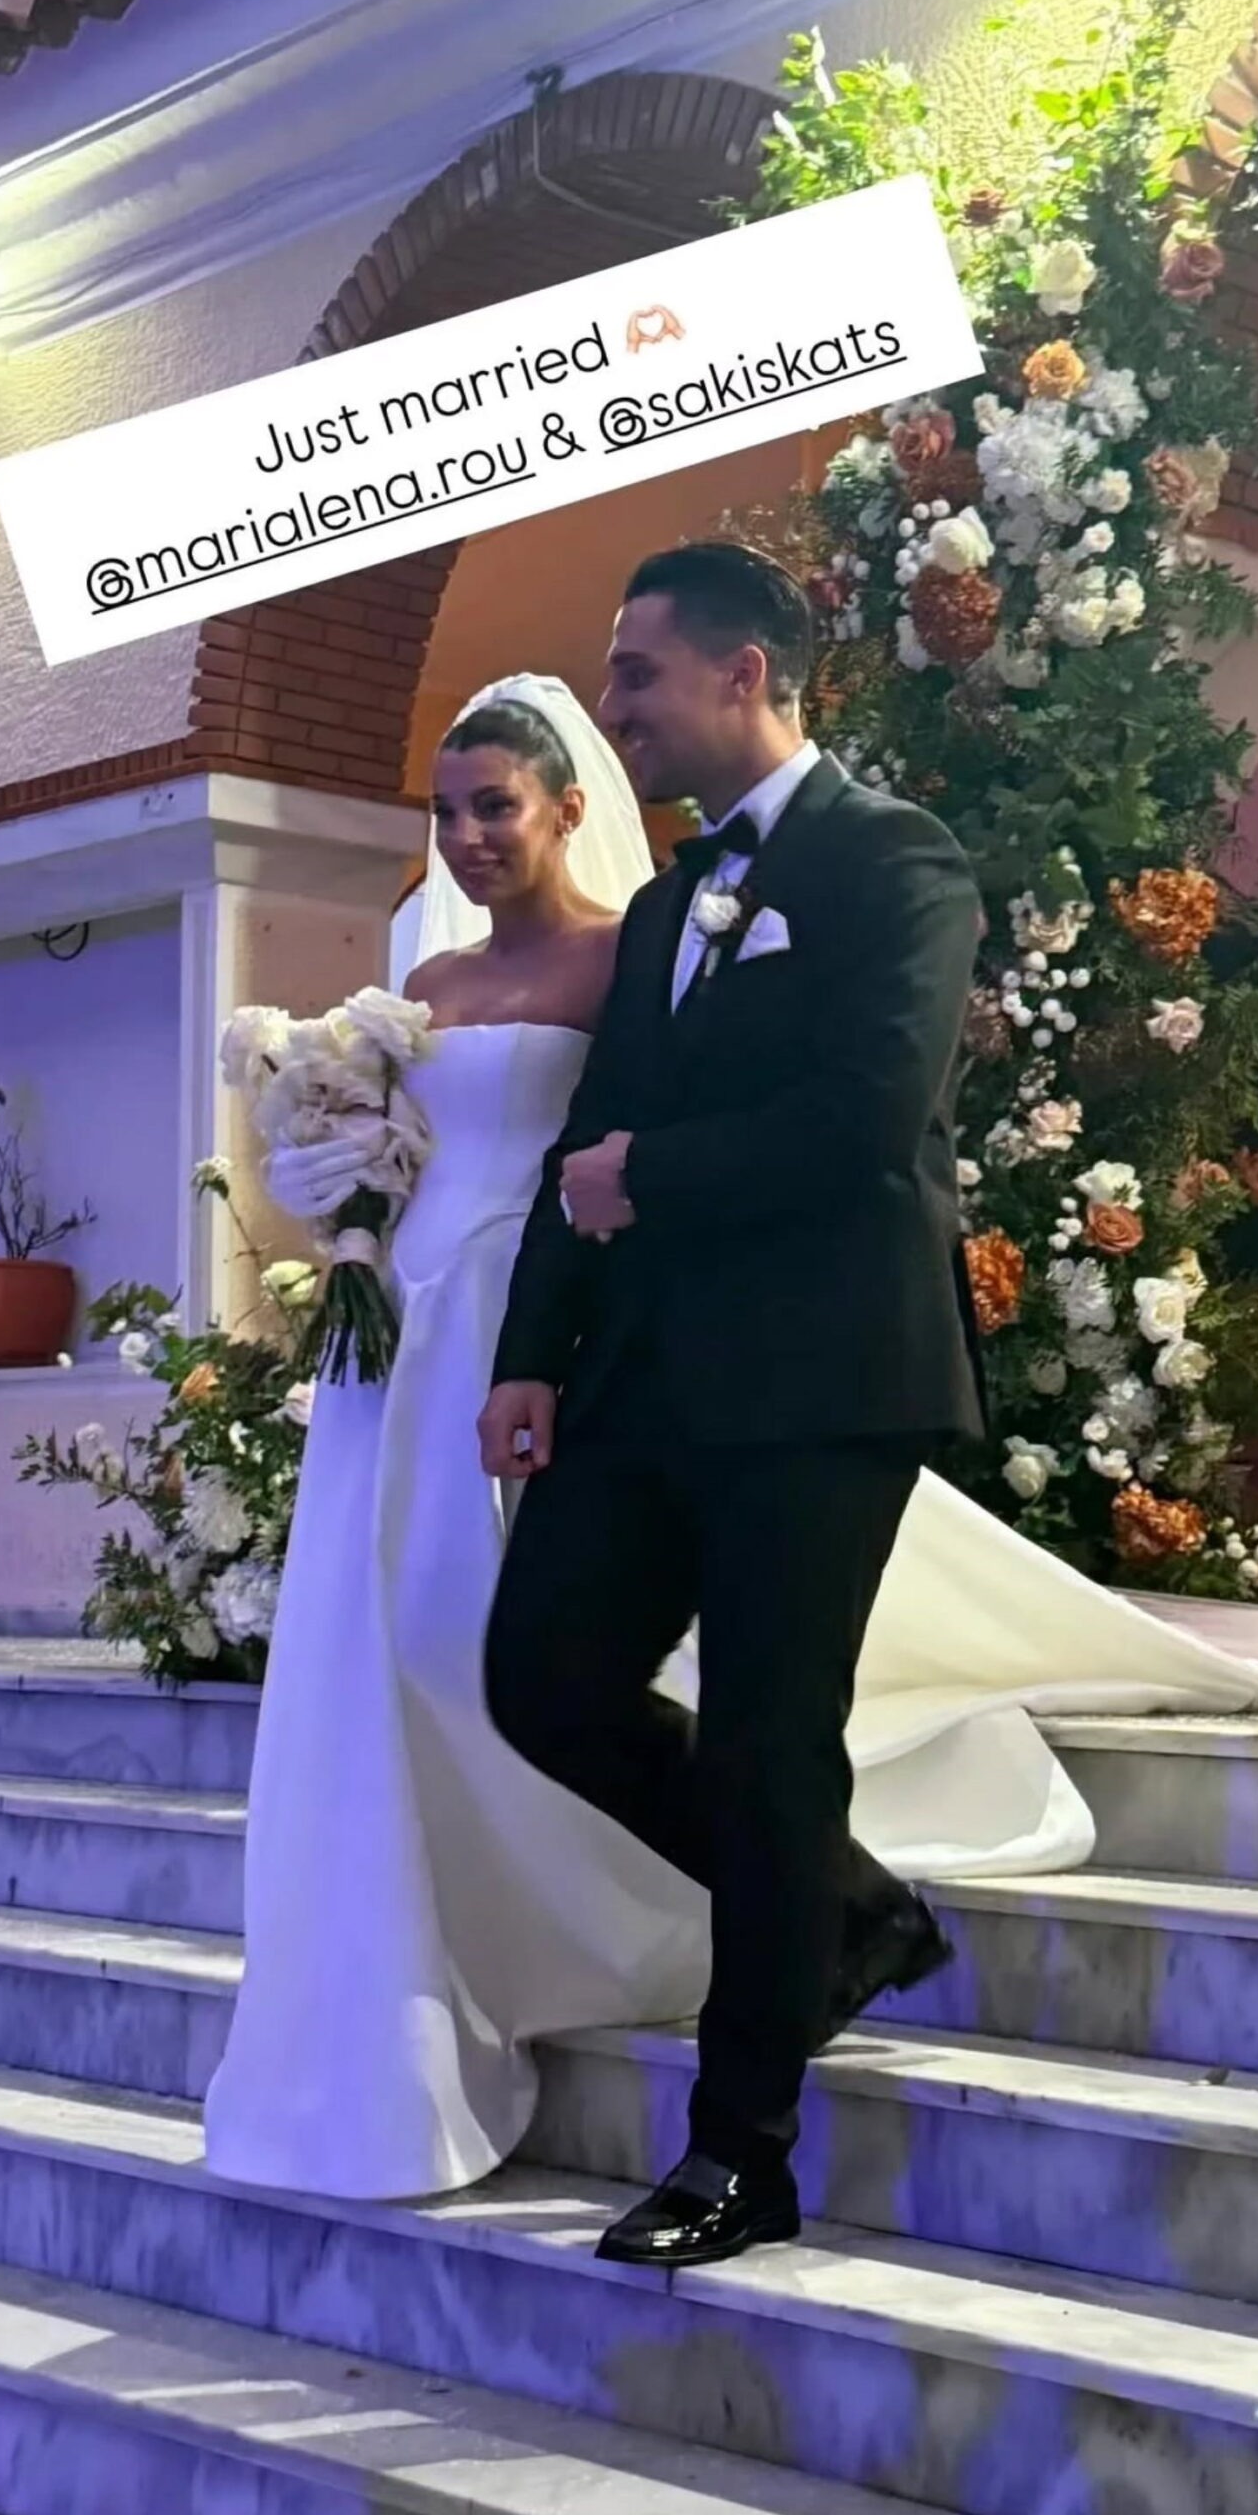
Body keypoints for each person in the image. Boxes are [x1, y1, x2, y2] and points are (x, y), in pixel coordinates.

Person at [479, 540, 982, 2269]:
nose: (612, 704)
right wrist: (530, 1352)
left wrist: (654, 1177)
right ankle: (845, 1912)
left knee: (773, 1741)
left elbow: (870, 1114)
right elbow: (581, 1146)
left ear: (743, 671)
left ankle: (740, 2154)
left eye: (635, 672)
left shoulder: (893, 859)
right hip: (645, 1379)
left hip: (823, 1377)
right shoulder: (667, 903)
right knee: (540, 1675)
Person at [203, 676, 713, 2200]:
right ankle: (394, 1944)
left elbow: (634, 1149)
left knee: (469, 1628)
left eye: (496, 805)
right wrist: (339, 1191)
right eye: (447, 812)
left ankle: (569, 1911)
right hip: (402, 1326)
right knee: (371, 1627)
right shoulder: (422, 982)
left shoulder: (625, 959)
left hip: (527, 1320)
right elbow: (391, 1152)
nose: (469, 835)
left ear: (568, 808)